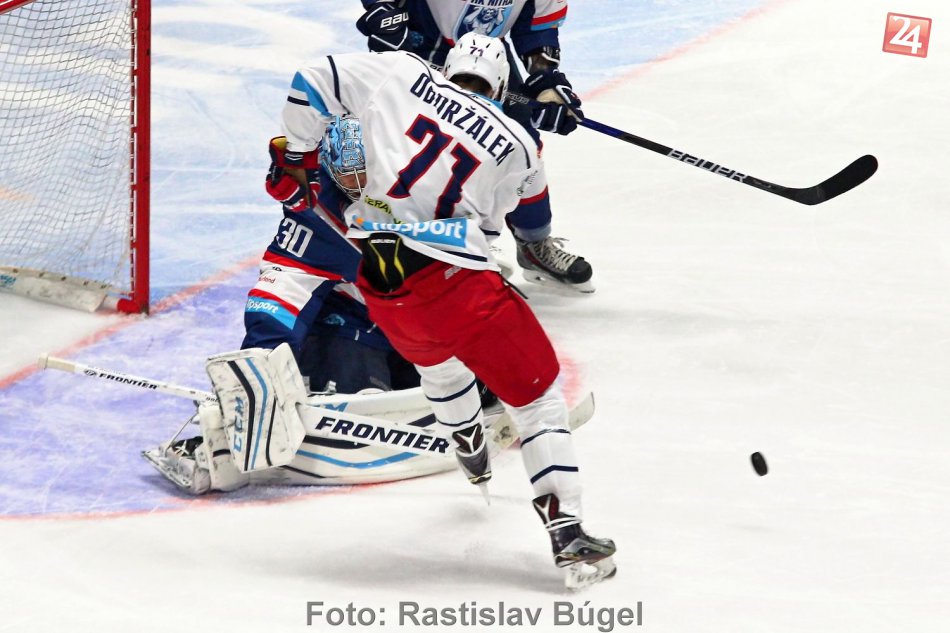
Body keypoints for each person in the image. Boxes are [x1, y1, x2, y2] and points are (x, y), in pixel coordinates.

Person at [275, 33, 615, 587]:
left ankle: (468, 445)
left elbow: (311, 80)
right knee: (538, 401)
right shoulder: (520, 144)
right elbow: (498, 230)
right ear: (501, 87)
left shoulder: (401, 72)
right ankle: (567, 530)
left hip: (382, 285)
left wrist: (296, 156)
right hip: (456, 281)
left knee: (439, 364)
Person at [356, 0, 595, 293]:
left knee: (520, 144)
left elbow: (537, 28)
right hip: (421, 48)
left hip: (488, 60)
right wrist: (383, 9)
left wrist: (545, 83)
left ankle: (533, 243)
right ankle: (437, 244)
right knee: (422, 141)